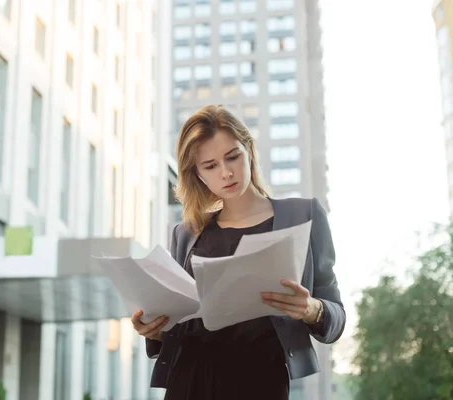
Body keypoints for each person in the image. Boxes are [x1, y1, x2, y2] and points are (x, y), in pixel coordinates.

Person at [130, 105, 346, 399]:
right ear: (197, 175)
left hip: (261, 379)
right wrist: (155, 331)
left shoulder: (303, 215)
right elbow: (178, 321)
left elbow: (336, 316)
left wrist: (312, 309)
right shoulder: (186, 233)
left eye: (232, 157)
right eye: (210, 166)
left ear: (249, 150)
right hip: (190, 380)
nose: (226, 172)